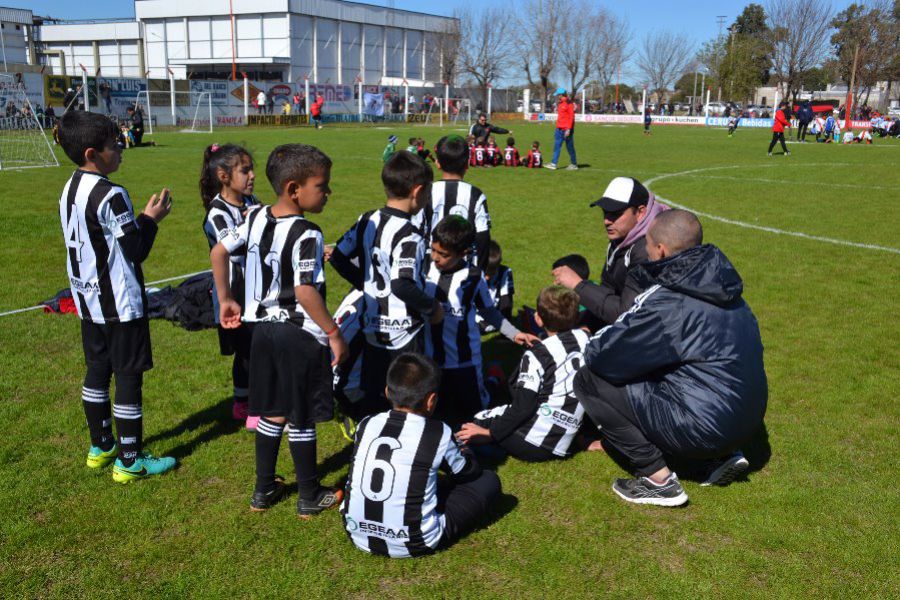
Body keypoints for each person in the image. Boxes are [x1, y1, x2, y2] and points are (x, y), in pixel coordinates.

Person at [574, 210, 766, 506]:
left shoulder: (668, 299)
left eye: (647, 245)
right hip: (748, 424)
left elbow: (603, 354)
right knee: (674, 366)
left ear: (660, 250)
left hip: (709, 427)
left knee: (589, 379)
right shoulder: (726, 286)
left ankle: (657, 479)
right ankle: (721, 457)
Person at [210, 143, 347, 515]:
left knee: (272, 410)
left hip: (261, 334)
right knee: (300, 412)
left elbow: (219, 252)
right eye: (322, 186)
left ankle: (264, 489)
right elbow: (304, 291)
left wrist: (225, 298)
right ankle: (308, 495)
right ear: (294, 189)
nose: (328, 193)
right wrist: (333, 332)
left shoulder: (253, 217)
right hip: (296, 334)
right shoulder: (307, 233)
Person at [57, 110, 175, 482]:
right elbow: (136, 249)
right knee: (127, 376)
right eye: (114, 144)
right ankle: (129, 460)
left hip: (87, 300)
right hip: (120, 304)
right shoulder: (111, 194)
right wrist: (150, 219)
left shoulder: (69, 186)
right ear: (92, 153)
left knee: (97, 370)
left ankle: (101, 445)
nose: (122, 147)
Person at [341, 353, 502, 558]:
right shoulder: (438, 433)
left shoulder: (366, 423)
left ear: (387, 392)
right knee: (489, 480)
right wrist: (464, 448)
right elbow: (467, 473)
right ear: (431, 400)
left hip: (356, 532)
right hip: (416, 541)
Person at [329, 151, 443, 420]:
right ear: (417, 191)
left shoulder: (368, 219)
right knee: (410, 391)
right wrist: (432, 308)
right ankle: (408, 437)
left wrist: (366, 285)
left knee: (375, 387)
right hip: (404, 330)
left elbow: (337, 256)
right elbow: (402, 284)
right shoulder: (410, 234)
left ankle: (369, 430)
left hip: (371, 323)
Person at [424, 216, 535, 427]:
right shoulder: (425, 268)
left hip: (465, 360)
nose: (435, 257)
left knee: (475, 414)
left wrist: (514, 333)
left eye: (443, 254)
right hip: (431, 360)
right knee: (438, 413)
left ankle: (493, 381)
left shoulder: (473, 277)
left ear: (463, 253)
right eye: (433, 250)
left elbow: (489, 311)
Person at [458, 286, 589, 461]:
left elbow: (523, 406)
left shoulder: (536, 355)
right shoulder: (587, 339)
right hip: (566, 439)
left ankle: (489, 450)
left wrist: (490, 433)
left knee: (477, 420)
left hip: (532, 443)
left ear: (538, 319)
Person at [553, 176, 668, 329]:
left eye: (615, 213)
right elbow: (608, 288)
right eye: (605, 212)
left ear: (640, 212)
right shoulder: (624, 237)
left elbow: (628, 314)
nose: (606, 221)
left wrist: (578, 285)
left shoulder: (647, 251)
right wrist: (588, 326)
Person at [200, 143, 260, 430]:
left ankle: (256, 398)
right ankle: (245, 406)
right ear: (224, 177)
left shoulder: (252, 202)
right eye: (245, 171)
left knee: (259, 347)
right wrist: (252, 225)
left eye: (251, 170)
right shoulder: (217, 212)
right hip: (235, 294)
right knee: (247, 351)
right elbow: (230, 249)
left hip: (258, 289)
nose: (252, 176)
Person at [412, 135, 492, 271]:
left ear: (437, 163)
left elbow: (415, 231)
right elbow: (483, 237)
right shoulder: (475, 194)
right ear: (467, 163)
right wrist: (480, 272)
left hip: (429, 268)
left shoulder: (427, 191)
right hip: (465, 271)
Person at [477, 240, 514, 333]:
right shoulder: (470, 273)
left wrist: (505, 331)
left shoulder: (505, 272)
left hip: (492, 315)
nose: (487, 277)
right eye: (485, 273)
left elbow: (506, 302)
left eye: (492, 273)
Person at [546, 88, 577, 170]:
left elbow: (571, 117)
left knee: (570, 148)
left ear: (561, 95)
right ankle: (553, 164)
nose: (557, 96)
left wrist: (569, 129)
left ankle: (574, 164)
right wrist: (557, 127)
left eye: (558, 95)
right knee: (556, 147)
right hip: (559, 129)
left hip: (566, 130)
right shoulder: (560, 103)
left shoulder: (569, 103)